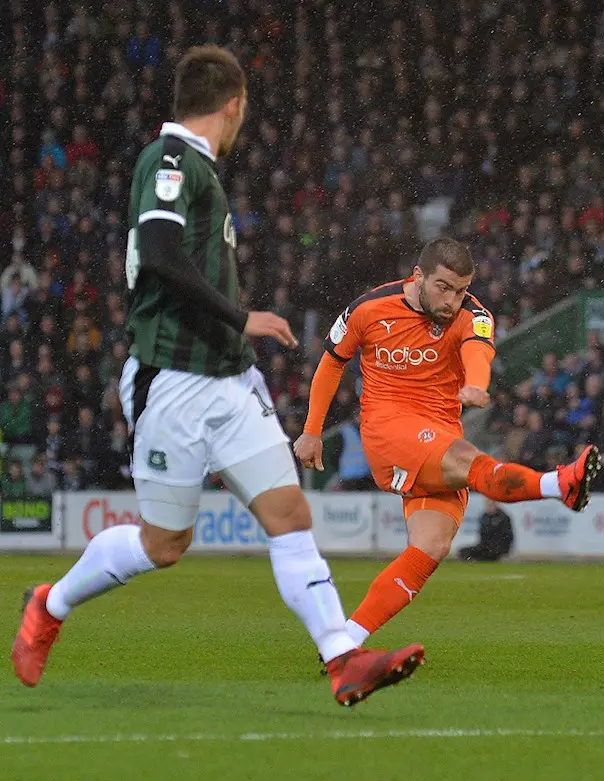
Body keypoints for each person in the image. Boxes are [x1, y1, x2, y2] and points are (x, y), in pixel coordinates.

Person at [10, 47, 424, 707]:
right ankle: (50, 604)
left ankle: (342, 658)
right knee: (164, 543)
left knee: (288, 515)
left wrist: (235, 333)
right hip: (173, 382)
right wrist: (240, 316)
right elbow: (159, 252)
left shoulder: (197, 167)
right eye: (244, 110)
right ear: (233, 105)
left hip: (230, 382)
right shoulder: (170, 159)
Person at [295, 238, 599, 646]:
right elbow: (332, 362)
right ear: (418, 276)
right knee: (469, 461)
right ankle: (559, 484)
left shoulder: (474, 315)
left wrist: (477, 384)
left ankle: (344, 643)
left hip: (438, 434)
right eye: (443, 287)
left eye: (461, 290)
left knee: (431, 547)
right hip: (388, 429)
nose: (452, 300)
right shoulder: (368, 308)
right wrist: (312, 430)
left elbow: (478, 352)